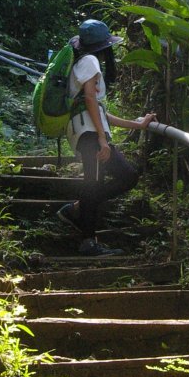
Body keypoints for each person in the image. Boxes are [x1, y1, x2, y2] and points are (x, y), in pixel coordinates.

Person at [56, 19, 156, 256]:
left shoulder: (81, 63)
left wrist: (138, 124)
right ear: (103, 45)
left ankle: (78, 213)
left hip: (85, 131)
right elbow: (90, 100)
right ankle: (87, 240)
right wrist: (102, 139)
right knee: (119, 178)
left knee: (100, 183)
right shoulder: (90, 61)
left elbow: (100, 110)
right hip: (90, 134)